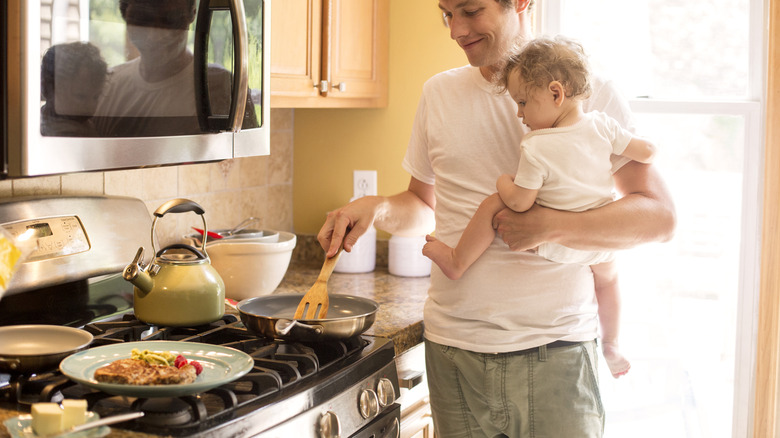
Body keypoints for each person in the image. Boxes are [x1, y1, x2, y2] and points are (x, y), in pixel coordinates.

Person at [317, 0, 676, 436]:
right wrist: (376, 207)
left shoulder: (586, 89)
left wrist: (551, 225)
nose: (456, 30)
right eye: (447, 14)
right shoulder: (439, 93)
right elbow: (423, 205)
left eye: (471, 10)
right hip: (453, 353)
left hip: (556, 353)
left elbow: (659, 216)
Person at [423, 35, 657, 379]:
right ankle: (612, 344)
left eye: (522, 103)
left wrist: (503, 181)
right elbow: (646, 151)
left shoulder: (537, 146)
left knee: (493, 204)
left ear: (555, 93)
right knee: (609, 282)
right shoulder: (603, 125)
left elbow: (520, 200)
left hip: (552, 247)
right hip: (594, 247)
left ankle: (457, 259)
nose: (519, 114)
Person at [94, 0, 257, 137]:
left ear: (192, 14)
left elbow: (245, 160)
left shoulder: (221, 86)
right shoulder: (108, 85)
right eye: (142, 20)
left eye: (169, 20)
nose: (154, 35)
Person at [40, 42, 109, 137]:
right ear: (47, 89)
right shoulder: (58, 132)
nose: (90, 106)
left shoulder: (82, 122)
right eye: (81, 97)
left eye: (96, 97)